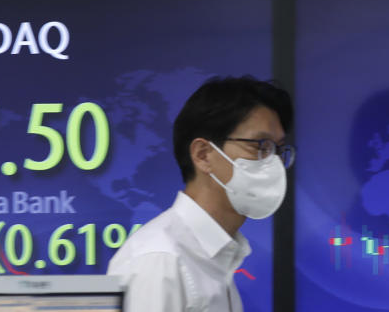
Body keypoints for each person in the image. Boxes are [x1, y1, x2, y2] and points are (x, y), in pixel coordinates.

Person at [107, 76, 295, 312]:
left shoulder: (217, 257)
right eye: (260, 146)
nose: (273, 162)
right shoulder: (161, 260)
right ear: (203, 155)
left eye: (277, 149)